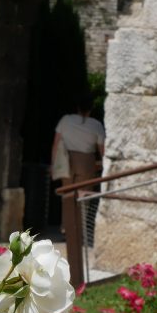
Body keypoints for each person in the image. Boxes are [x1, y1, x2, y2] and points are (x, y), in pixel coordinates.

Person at [52, 97, 105, 240]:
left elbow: (56, 144)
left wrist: (53, 164)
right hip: (86, 161)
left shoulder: (65, 120)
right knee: (83, 196)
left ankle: (66, 230)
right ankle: (80, 232)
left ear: (77, 107)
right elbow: (102, 149)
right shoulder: (96, 125)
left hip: (66, 159)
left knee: (67, 196)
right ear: (91, 109)